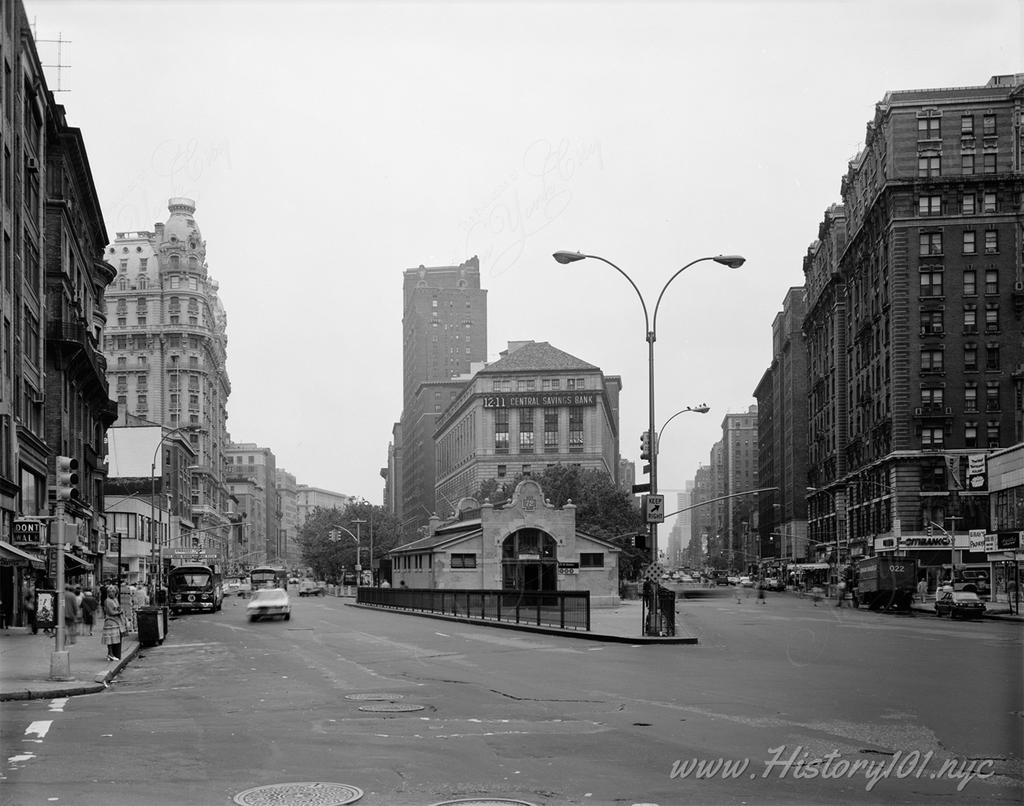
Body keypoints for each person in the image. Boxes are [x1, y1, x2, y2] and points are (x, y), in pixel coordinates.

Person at [101, 585, 124, 661]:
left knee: (113, 638)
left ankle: (109, 654)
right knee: (110, 639)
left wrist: (119, 610)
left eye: (113, 592)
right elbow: (111, 612)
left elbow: (117, 608)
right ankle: (111, 654)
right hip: (110, 621)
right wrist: (119, 612)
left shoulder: (115, 600)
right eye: (110, 592)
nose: (111, 593)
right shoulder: (108, 601)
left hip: (115, 621)